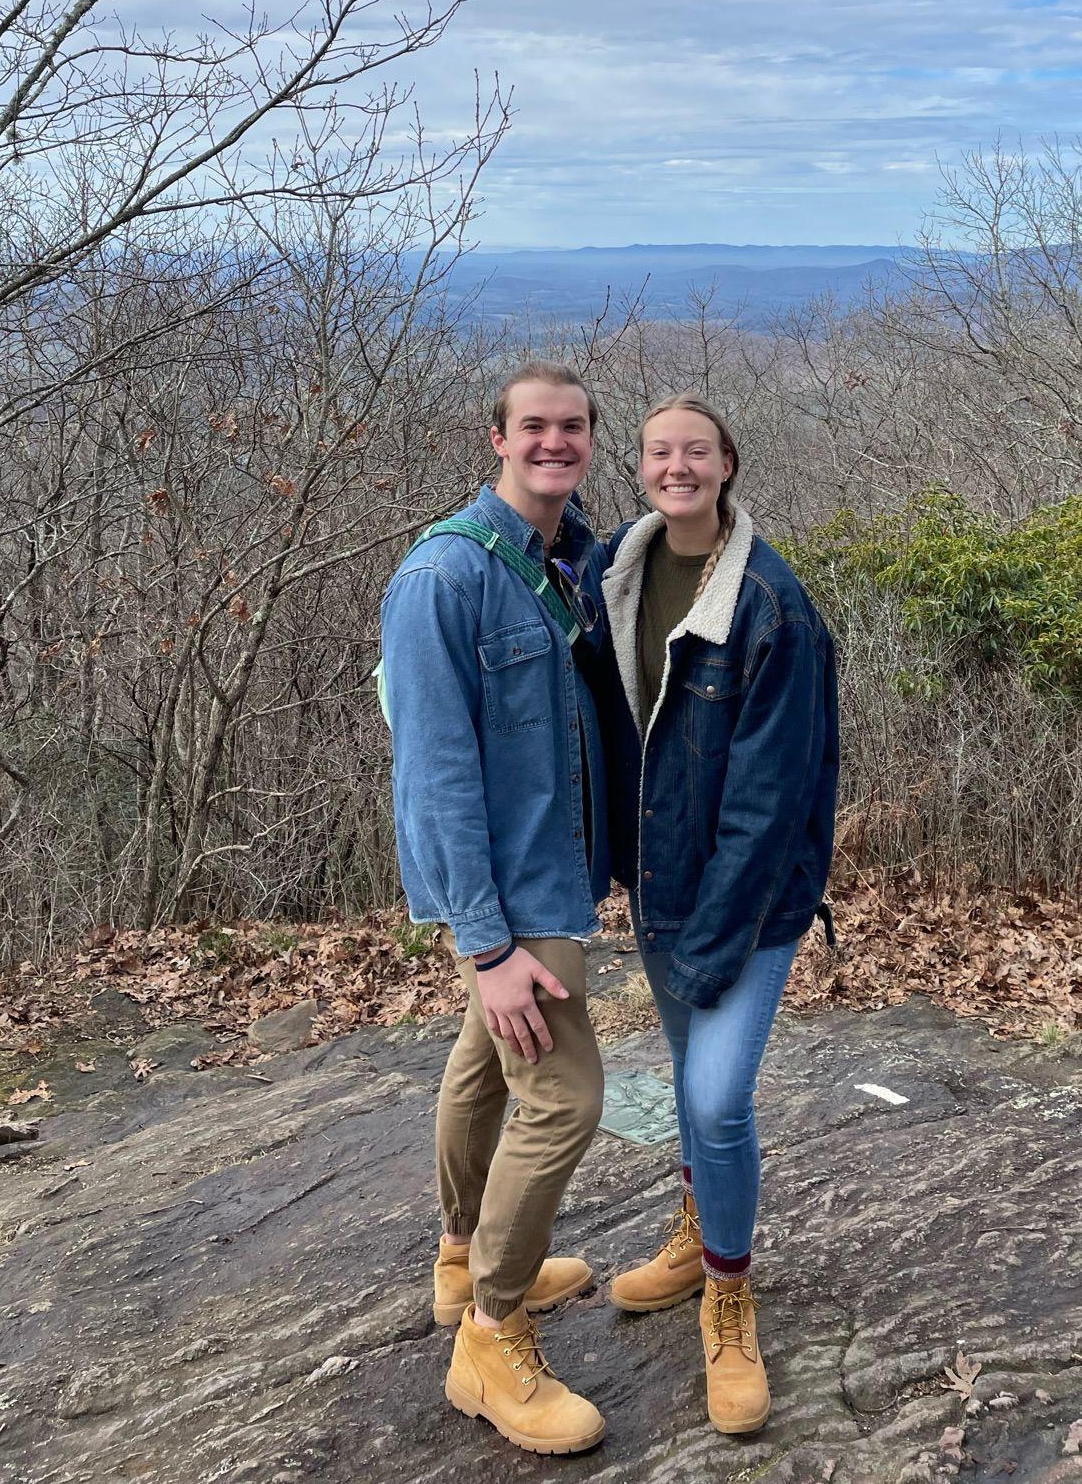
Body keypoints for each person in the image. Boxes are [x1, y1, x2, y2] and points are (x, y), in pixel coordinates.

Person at [379, 361, 616, 1456]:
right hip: (509, 897)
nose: (553, 442)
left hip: (547, 872)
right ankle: (490, 1333)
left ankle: (458, 1258)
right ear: (497, 438)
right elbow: (434, 774)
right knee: (563, 1097)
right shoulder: (443, 576)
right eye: (534, 426)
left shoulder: (566, 560)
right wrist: (486, 945)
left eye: (571, 426)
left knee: (485, 1063)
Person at [597, 392, 839, 1436]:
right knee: (689, 1084)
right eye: (659, 451)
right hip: (661, 884)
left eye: (695, 451)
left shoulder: (772, 606)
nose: (677, 467)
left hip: (749, 899)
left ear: (728, 462)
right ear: (641, 466)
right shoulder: (616, 569)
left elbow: (770, 801)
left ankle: (729, 1292)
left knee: (716, 1094)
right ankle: (700, 1232)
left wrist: (709, 941)